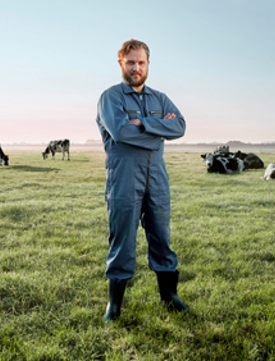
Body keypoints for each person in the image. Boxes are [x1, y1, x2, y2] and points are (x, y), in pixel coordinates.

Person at [96, 39, 190, 321]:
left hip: (157, 177)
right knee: (123, 239)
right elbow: (122, 133)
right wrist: (160, 132)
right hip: (124, 176)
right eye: (130, 62)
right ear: (121, 63)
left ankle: (170, 296)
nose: (136, 68)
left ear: (148, 64)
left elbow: (181, 126)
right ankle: (114, 305)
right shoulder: (110, 97)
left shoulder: (160, 98)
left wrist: (144, 124)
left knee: (162, 236)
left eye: (141, 62)